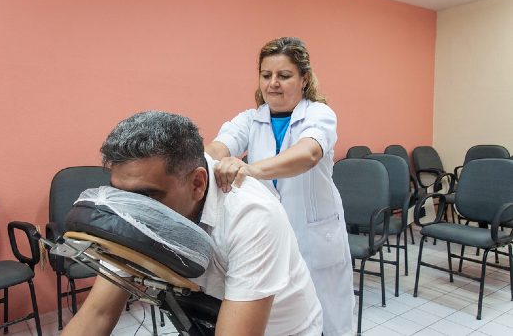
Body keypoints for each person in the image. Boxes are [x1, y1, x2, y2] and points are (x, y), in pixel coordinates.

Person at [60, 111, 323, 336]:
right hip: (210, 318)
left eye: (148, 198)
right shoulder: (130, 207)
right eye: (122, 194)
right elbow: (98, 312)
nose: (132, 213)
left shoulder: (251, 215)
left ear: (197, 184)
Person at [204, 37, 354, 336]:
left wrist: (250, 169)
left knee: (331, 323)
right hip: (270, 237)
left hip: (314, 237)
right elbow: (219, 147)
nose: (273, 83)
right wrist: (203, 163)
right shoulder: (250, 119)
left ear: (304, 79)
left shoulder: (319, 114)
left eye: (284, 76)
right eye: (266, 75)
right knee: (283, 320)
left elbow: (309, 153)